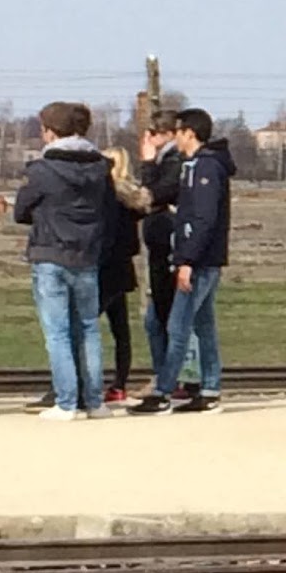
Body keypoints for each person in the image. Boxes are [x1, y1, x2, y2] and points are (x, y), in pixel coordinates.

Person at [129, 108, 236, 415]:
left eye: (177, 132)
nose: (173, 137)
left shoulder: (205, 168)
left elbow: (202, 218)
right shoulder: (194, 166)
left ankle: (163, 392)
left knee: (178, 326)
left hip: (199, 261)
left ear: (190, 133)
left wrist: (186, 259)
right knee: (203, 326)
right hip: (200, 258)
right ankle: (210, 388)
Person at [11, 101, 112, 421]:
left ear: (51, 132)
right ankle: (95, 401)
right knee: (88, 329)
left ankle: (67, 402)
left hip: (50, 252)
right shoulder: (100, 168)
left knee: (57, 332)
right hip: (87, 254)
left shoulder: (43, 170)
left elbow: (21, 211)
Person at [97, 148, 150, 405]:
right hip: (121, 269)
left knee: (86, 326)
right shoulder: (131, 200)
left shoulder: (111, 199)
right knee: (121, 330)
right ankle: (119, 383)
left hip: (106, 267)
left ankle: (98, 381)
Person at [137, 112, 185, 393]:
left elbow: (153, 194)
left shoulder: (173, 162)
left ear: (164, 134)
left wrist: (146, 162)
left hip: (167, 246)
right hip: (160, 244)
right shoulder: (168, 161)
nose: (147, 140)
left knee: (166, 317)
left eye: (151, 134)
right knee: (155, 319)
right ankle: (165, 375)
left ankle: (171, 379)